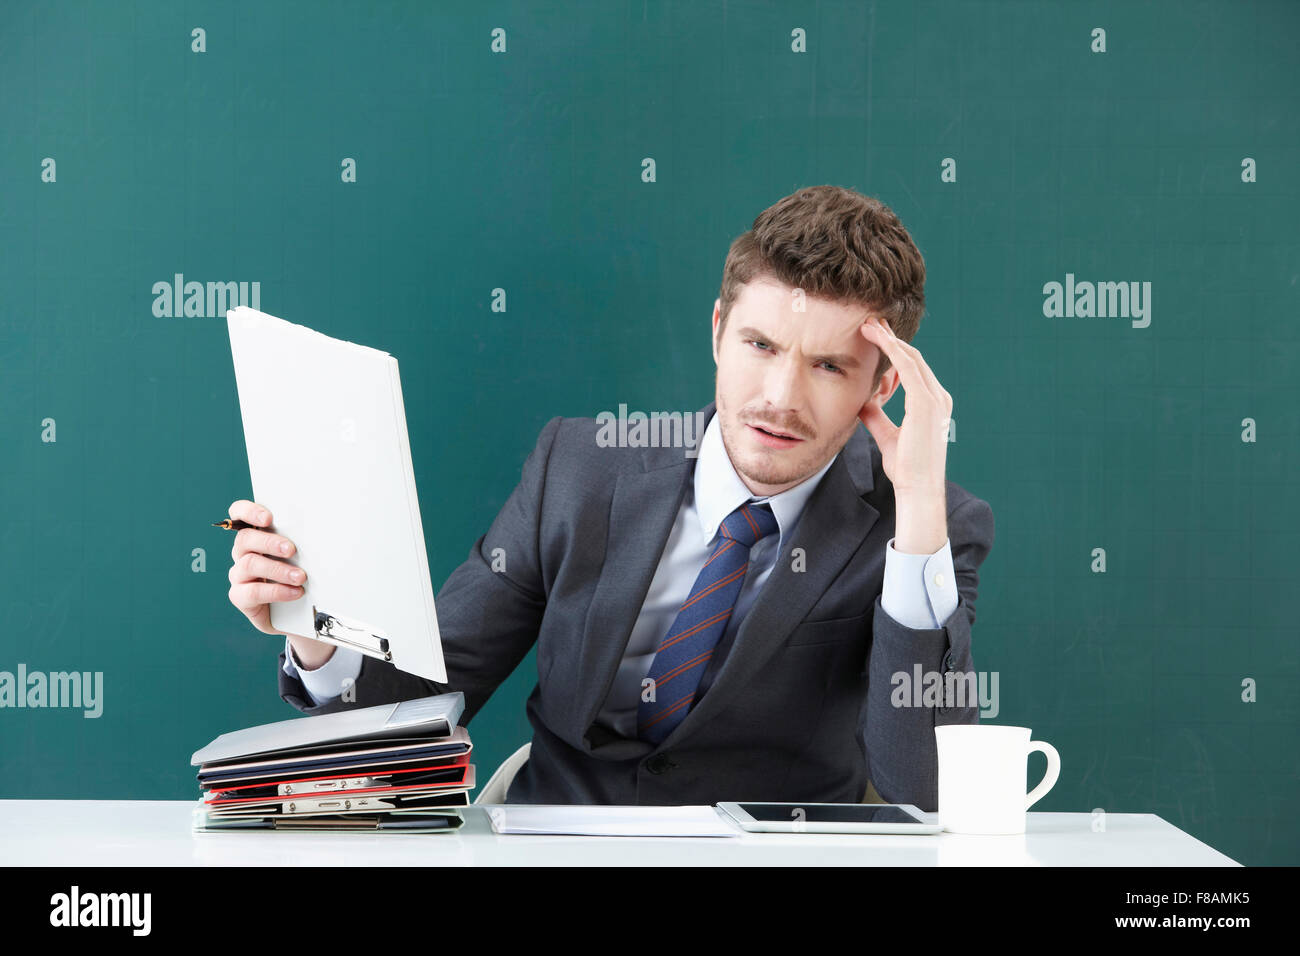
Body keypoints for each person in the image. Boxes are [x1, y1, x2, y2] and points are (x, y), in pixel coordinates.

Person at [226, 185, 995, 808]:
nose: (779, 398)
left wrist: (918, 514)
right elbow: (414, 705)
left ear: (883, 384)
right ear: (720, 330)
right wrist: (317, 636)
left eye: (828, 366)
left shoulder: (929, 527)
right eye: (760, 347)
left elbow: (924, 791)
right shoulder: (581, 468)